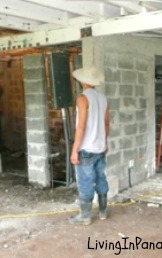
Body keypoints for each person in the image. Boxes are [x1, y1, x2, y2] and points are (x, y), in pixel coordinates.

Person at [69, 65, 110, 225]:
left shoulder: (82, 98)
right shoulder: (103, 98)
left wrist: (74, 150)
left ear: (82, 81)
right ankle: (103, 212)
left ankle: (85, 217)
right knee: (101, 179)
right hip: (100, 148)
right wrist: (105, 142)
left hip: (86, 149)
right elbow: (106, 124)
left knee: (85, 182)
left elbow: (81, 126)